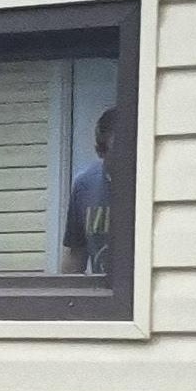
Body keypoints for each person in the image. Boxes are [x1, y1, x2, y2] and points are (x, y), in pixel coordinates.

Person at [62, 105, 117, 278]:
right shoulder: (85, 186)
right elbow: (75, 255)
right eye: (117, 149)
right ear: (100, 151)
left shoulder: (149, 185)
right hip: (103, 293)